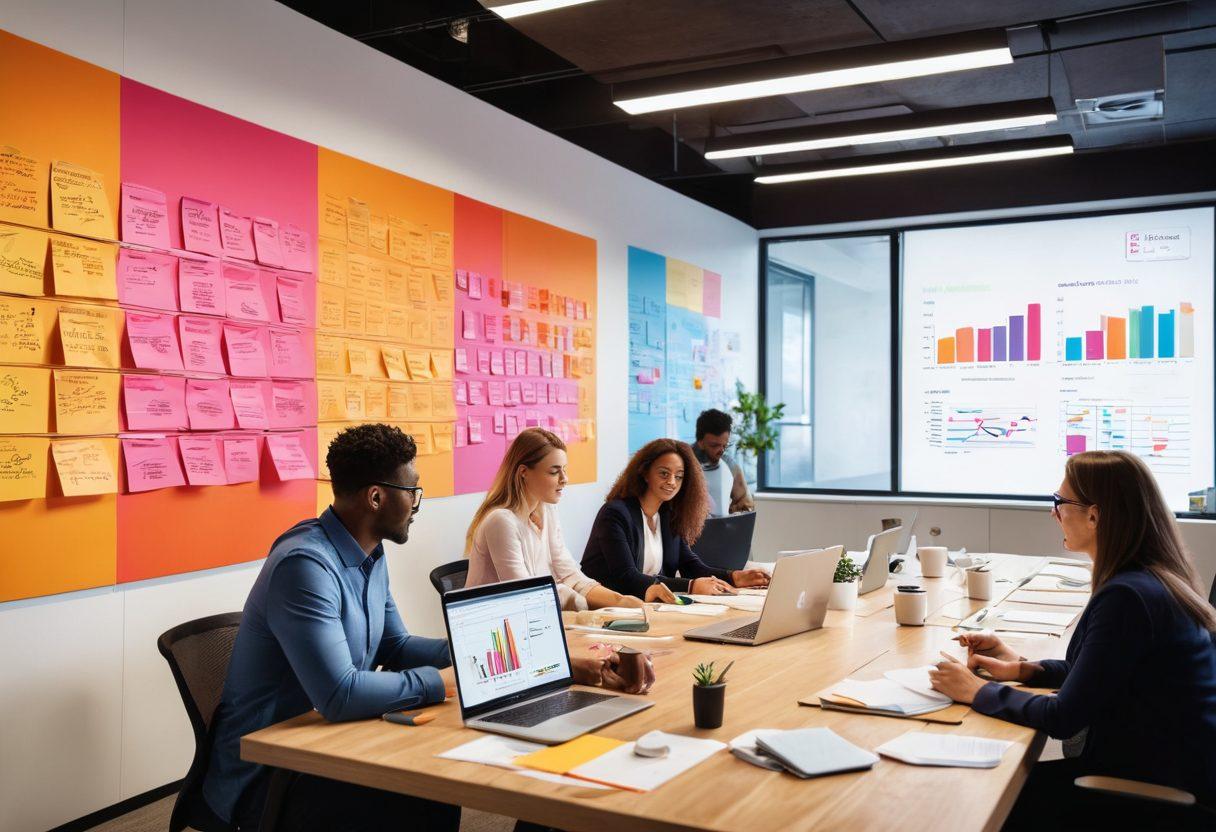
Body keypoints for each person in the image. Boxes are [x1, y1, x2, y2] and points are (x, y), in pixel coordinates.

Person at [929, 451, 1216, 828]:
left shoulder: (1128, 597)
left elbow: (1064, 717)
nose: (1054, 513)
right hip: (1167, 770)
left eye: (1060, 502)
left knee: (975, 799)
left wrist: (974, 691)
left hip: (1152, 792)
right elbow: (1105, 673)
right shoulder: (1151, 578)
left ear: (1094, 516)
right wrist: (1023, 669)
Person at [202, 424, 459, 831]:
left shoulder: (370, 552)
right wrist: (443, 681)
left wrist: (473, 652)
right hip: (271, 775)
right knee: (425, 797)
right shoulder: (305, 566)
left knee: (439, 790)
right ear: (376, 497)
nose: (414, 502)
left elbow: (395, 645)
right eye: (411, 491)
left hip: (327, 743)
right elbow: (340, 693)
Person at [465, 427, 646, 611]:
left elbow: (568, 573)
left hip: (532, 622)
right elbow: (525, 596)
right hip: (495, 630)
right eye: (554, 472)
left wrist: (621, 601)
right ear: (523, 472)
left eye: (564, 470)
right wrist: (578, 602)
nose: (564, 479)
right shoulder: (501, 521)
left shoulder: (547, 510)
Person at [581, 438, 770, 600]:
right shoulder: (615, 514)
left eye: (679, 476)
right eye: (664, 473)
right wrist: (690, 586)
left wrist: (734, 577)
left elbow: (690, 565)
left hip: (650, 607)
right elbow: (626, 577)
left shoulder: (667, 515)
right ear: (645, 473)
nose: (672, 482)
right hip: (607, 609)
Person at [693, 408, 754, 517]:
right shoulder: (682, 461)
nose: (721, 451)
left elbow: (746, 503)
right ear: (700, 442)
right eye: (714, 445)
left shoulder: (729, 465)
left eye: (724, 445)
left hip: (718, 528)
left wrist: (732, 510)